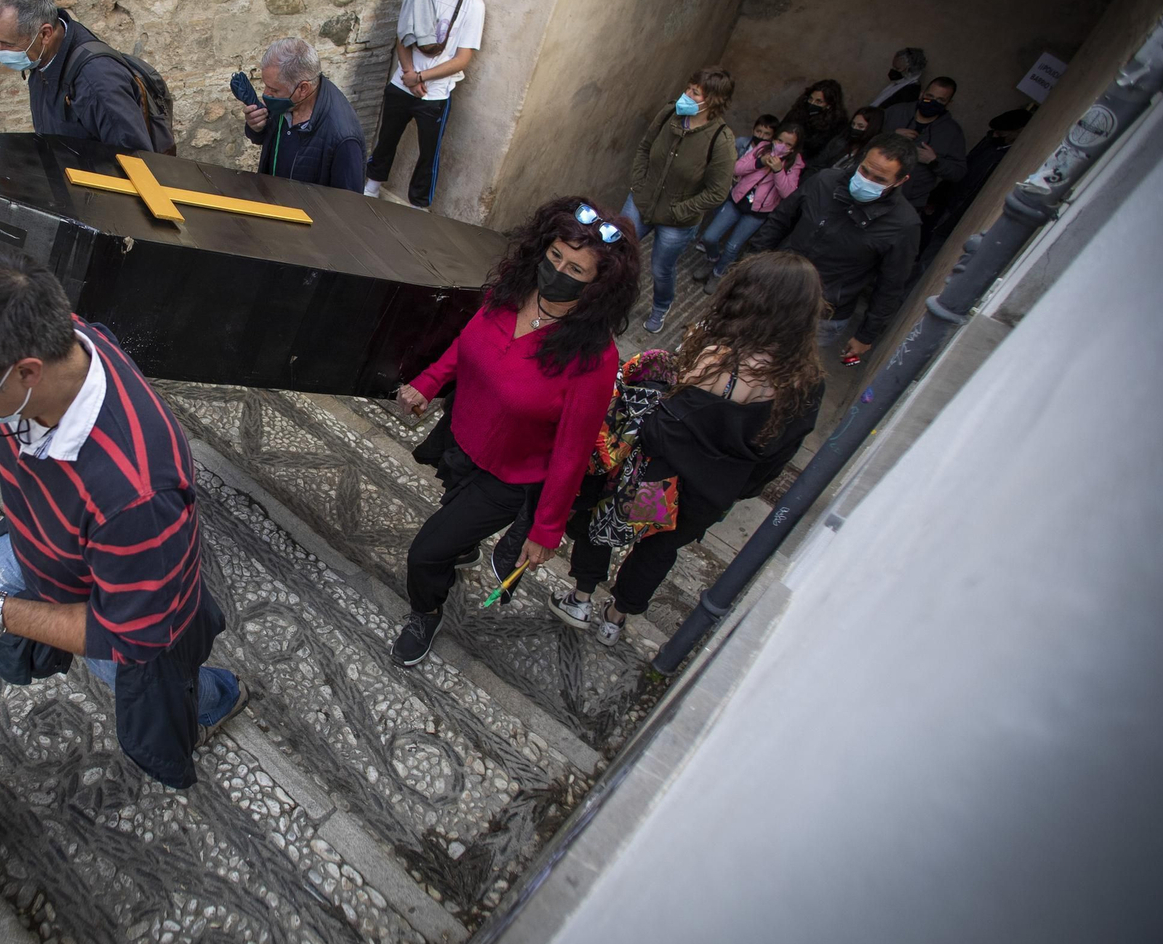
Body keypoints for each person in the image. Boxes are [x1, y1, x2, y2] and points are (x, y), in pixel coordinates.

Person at [0, 249, 246, 844]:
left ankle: (217, 697)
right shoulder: (69, 337)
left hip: (122, 606)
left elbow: (126, 633)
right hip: (40, 550)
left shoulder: (135, 495)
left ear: (26, 372)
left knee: (137, 677)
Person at [389, 197, 641, 666]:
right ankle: (462, 547)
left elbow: (571, 450)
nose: (559, 272)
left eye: (576, 270)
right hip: (460, 438)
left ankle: (425, 610)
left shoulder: (593, 358)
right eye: (555, 258)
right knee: (454, 516)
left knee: (426, 553)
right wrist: (428, 383)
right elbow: (469, 342)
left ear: (597, 286)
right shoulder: (510, 291)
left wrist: (546, 530)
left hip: (509, 479)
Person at [548, 251, 825, 644]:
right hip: (711, 496)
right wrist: (733, 485)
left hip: (660, 484)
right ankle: (615, 619)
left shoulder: (714, 356)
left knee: (605, 527)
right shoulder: (806, 386)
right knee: (658, 550)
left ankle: (580, 599)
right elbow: (774, 461)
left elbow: (664, 425)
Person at [742, 134, 920, 362]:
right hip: (772, 288)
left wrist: (866, 335)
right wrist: (749, 266)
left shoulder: (904, 225)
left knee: (779, 369)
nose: (867, 180)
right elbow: (780, 221)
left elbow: (891, 286)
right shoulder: (824, 181)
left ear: (900, 180)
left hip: (820, 316)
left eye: (879, 179)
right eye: (865, 171)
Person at [363, 0, 486, 210]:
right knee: (387, 139)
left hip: (436, 93)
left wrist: (421, 78)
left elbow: (462, 58)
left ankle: (418, 208)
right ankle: (370, 189)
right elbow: (403, 35)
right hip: (402, 82)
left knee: (428, 154)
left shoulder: (473, 5)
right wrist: (409, 74)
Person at [0, 0, 174, 154]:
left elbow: (134, 163)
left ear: (45, 34)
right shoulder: (43, 55)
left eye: (9, 44)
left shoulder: (97, 82)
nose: (0, 50)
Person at [624, 67, 737, 334]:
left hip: (678, 220)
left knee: (661, 268)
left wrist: (679, 210)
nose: (686, 94)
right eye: (688, 87)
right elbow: (644, 148)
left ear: (713, 100)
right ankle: (613, 298)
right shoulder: (668, 114)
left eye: (694, 92)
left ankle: (660, 307)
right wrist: (640, 184)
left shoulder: (721, 141)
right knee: (618, 251)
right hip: (642, 201)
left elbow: (717, 192)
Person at [691, 120, 806, 294]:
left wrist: (778, 171)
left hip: (758, 212)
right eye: (780, 141)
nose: (782, 146)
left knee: (732, 247)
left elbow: (789, 193)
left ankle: (718, 272)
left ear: (794, 148)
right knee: (709, 237)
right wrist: (759, 162)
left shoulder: (794, 164)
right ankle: (712, 258)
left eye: (788, 145)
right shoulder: (762, 148)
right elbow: (736, 168)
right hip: (737, 200)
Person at [242, 37, 366, 192]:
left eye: (274, 90)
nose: (266, 95)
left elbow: (347, 204)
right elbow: (266, 139)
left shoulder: (344, 137)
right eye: (266, 86)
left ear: (303, 89)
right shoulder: (288, 101)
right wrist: (256, 127)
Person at [919, 107, 1032, 262]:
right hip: (947, 203)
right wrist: (936, 197)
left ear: (1018, 132)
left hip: (959, 212)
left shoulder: (1006, 157)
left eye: (1001, 132)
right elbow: (964, 168)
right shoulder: (990, 143)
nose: (995, 135)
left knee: (932, 253)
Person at [883, 76, 967, 210]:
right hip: (873, 184)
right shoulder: (896, 112)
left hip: (907, 203)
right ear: (922, 94)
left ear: (949, 103)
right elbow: (864, 137)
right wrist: (891, 135)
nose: (933, 102)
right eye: (930, 96)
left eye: (940, 100)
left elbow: (958, 172)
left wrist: (934, 161)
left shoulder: (952, 133)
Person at [782, 79, 847, 162]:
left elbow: (819, 151)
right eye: (810, 99)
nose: (812, 103)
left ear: (829, 105)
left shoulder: (834, 124)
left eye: (818, 101)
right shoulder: (799, 110)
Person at [809, 106, 886, 176]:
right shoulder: (841, 140)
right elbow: (819, 162)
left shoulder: (870, 154)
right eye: (853, 124)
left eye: (860, 126)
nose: (855, 128)